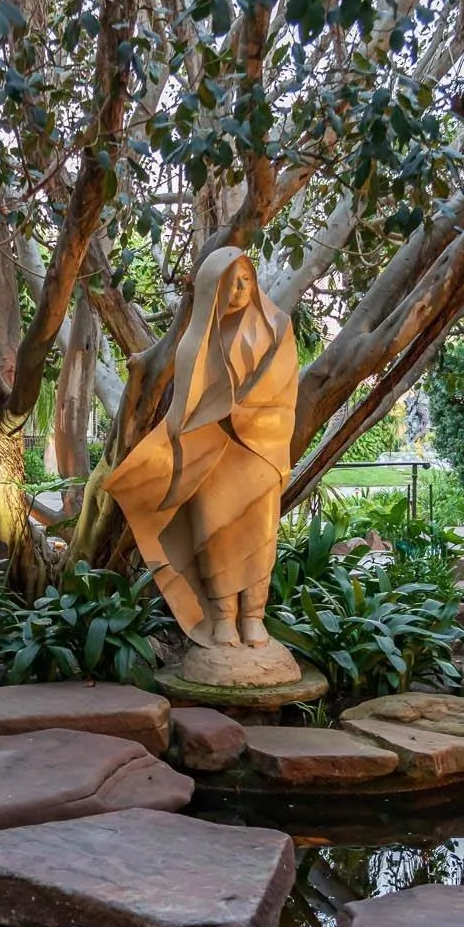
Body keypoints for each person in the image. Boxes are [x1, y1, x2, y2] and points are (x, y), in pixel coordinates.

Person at [104, 246, 297, 651]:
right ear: (212, 289)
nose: (240, 288)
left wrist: (236, 409)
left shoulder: (277, 327)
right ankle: (223, 618)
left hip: (260, 450)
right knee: (212, 534)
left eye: (246, 279)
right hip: (209, 453)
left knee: (259, 537)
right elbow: (184, 407)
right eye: (230, 282)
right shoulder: (197, 341)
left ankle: (253, 617)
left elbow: (281, 388)